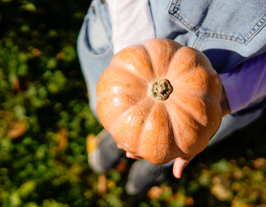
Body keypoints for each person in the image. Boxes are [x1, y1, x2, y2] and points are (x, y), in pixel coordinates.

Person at [77, 0, 266, 195]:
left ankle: (161, 160)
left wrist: (231, 93)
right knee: (113, 110)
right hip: (126, 28)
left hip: (236, 83)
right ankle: (117, 134)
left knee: (178, 141)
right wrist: (135, 59)